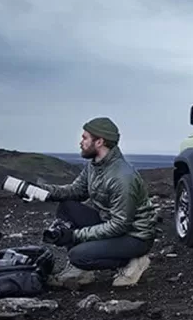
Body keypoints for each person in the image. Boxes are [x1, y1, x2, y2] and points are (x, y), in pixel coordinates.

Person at [39, 117, 159, 288]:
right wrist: (41, 191)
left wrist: (74, 235)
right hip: (111, 224)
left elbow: (119, 225)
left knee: (78, 256)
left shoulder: (122, 177)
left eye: (85, 138)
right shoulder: (94, 165)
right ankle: (82, 272)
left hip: (134, 237)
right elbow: (76, 191)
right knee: (67, 206)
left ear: (99, 142)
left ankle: (132, 261)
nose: (81, 142)